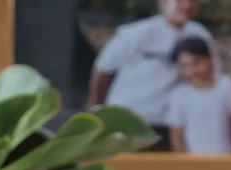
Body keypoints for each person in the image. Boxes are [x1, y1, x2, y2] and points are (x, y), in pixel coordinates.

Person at [89, 0, 214, 136]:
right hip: (128, 120)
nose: (186, 6)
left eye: (191, 2)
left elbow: (210, 77)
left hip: (170, 123)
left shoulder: (201, 35)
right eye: (179, 1)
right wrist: (98, 111)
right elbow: (103, 70)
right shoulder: (136, 32)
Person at [155, 37, 231, 155]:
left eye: (197, 62)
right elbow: (176, 134)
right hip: (194, 160)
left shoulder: (226, 86)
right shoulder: (179, 94)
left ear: (210, 58)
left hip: (226, 156)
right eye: (185, 65)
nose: (193, 70)